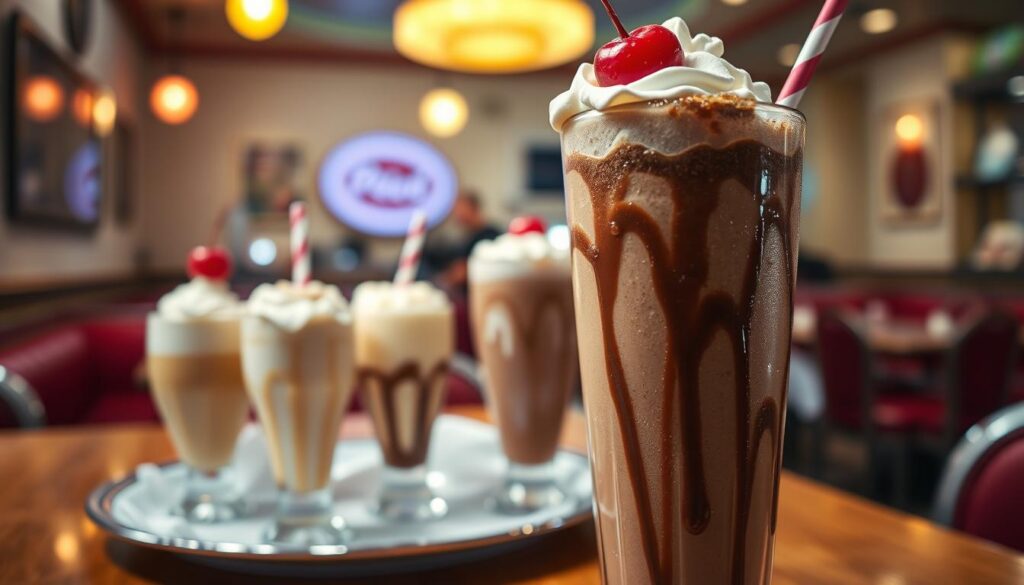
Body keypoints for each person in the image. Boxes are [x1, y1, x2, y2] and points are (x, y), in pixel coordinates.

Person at [435, 190, 502, 291]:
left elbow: (463, 273)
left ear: (473, 208)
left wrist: (448, 279)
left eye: (461, 209)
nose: (458, 215)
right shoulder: (465, 238)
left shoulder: (491, 236)